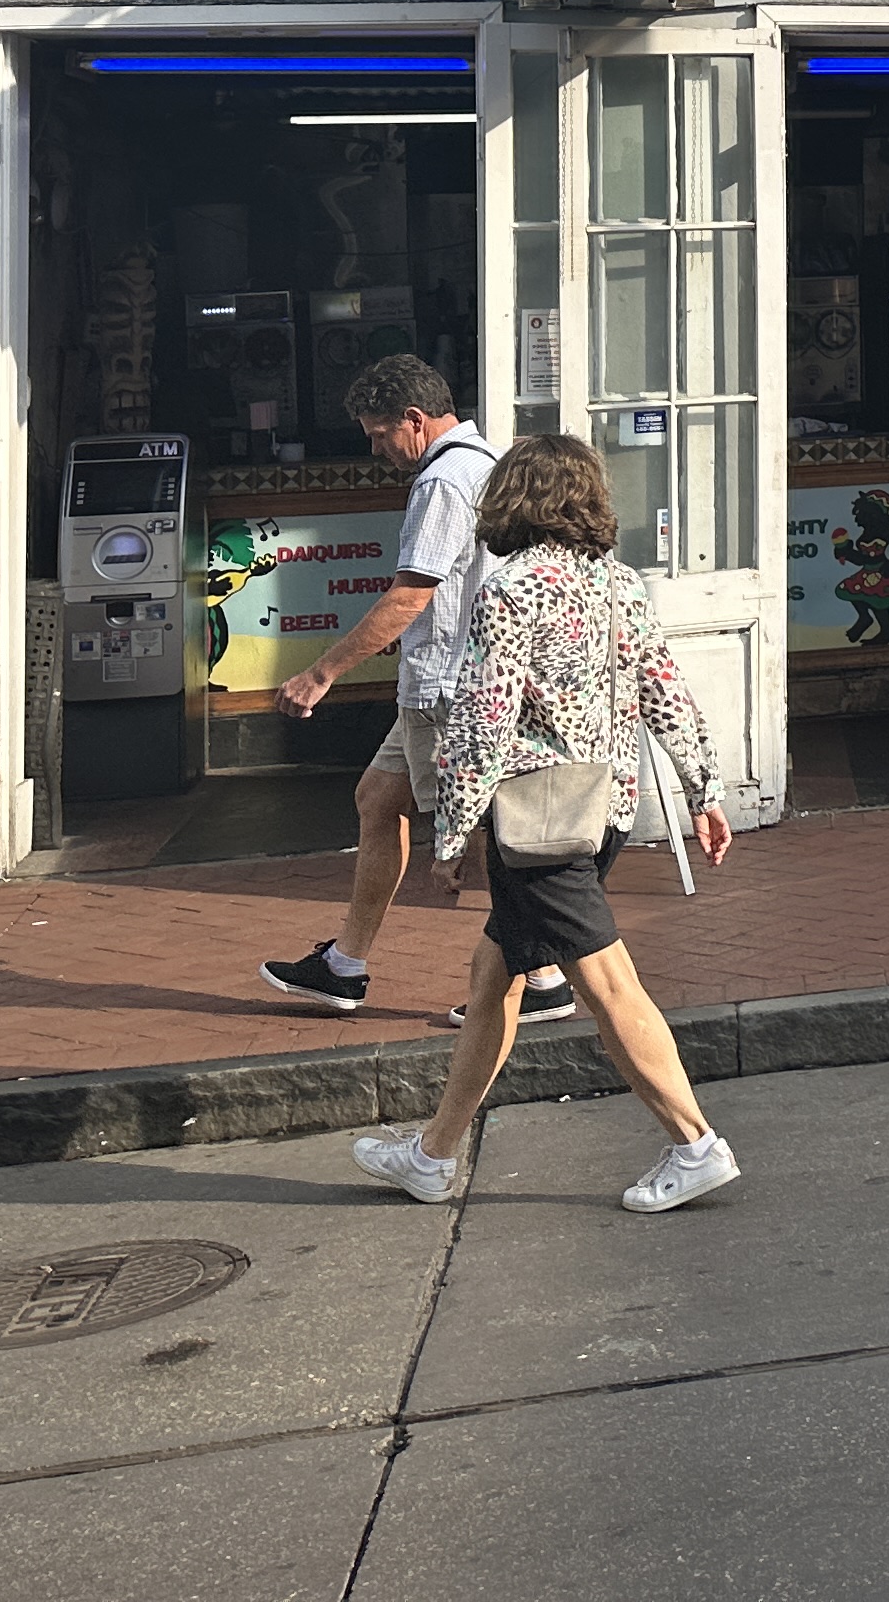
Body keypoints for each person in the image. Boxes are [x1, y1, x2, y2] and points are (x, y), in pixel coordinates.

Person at [350, 435, 746, 1215]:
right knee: (493, 975)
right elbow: (665, 689)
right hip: (603, 811)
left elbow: (483, 719)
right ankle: (433, 1155)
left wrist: (452, 833)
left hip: (537, 822)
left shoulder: (511, 589)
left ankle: (695, 1143)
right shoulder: (620, 583)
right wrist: (703, 790)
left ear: (513, 500)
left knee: (608, 983)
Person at [259, 356, 569, 1027]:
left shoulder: (443, 481)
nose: (377, 450)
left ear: (414, 419)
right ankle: (344, 965)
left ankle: (542, 976)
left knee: (482, 833)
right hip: (448, 679)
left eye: (379, 435)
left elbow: (411, 594)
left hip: (448, 689)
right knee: (378, 800)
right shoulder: (486, 462)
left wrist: (321, 673)